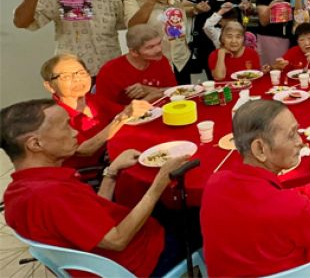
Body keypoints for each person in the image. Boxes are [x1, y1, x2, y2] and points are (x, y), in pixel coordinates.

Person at [1, 99, 190, 276]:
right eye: (66, 126)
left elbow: (90, 215)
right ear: (35, 144)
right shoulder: (52, 195)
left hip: (101, 259)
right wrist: (159, 184)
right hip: (139, 260)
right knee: (196, 211)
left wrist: (111, 172)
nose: (75, 132)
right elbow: (117, 240)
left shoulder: (17, 191)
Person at [200, 100, 310, 276]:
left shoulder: (213, 185)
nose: (300, 141)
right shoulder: (289, 206)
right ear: (260, 149)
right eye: (292, 135)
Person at [40, 54, 150, 171]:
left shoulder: (91, 99)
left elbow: (126, 112)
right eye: (66, 77)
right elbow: (84, 150)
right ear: (50, 86)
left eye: (81, 73)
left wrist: (154, 94)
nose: (77, 79)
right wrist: (121, 119)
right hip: (88, 174)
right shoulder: (53, 116)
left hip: (113, 156)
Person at [182, 0, 252, 78]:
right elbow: (183, 10)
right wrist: (196, 8)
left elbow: (250, 9)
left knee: (239, 75)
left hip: (234, 40)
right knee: (214, 77)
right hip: (205, 41)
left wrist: (247, 6)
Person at [124, 0, 192, 84]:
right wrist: (151, 1)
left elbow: (181, 31)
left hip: (180, 61)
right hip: (153, 62)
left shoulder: (176, 1)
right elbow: (132, 28)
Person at [96, 24, 177, 106]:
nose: (159, 49)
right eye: (150, 47)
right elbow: (104, 109)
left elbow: (174, 91)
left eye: (159, 43)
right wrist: (145, 101)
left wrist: (149, 90)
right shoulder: (109, 71)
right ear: (134, 52)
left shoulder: (161, 60)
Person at [256, 0, 294, 65]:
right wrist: (270, 8)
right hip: (269, 39)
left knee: (287, 68)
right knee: (272, 69)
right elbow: (263, 22)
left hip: (288, 38)